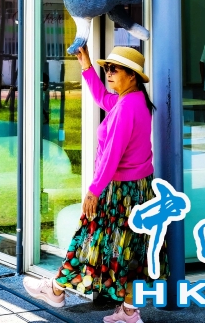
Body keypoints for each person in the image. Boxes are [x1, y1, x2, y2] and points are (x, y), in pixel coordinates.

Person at [23, 45, 165, 323]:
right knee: (132, 252)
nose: (108, 73)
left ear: (132, 75)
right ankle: (129, 312)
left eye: (114, 69)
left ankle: (56, 289)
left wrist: (94, 190)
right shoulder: (134, 101)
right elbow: (102, 98)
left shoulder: (126, 107)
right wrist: (87, 65)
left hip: (120, 192)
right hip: (139, 189)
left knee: (88, 240)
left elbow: (113, 154)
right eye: (107, 68)